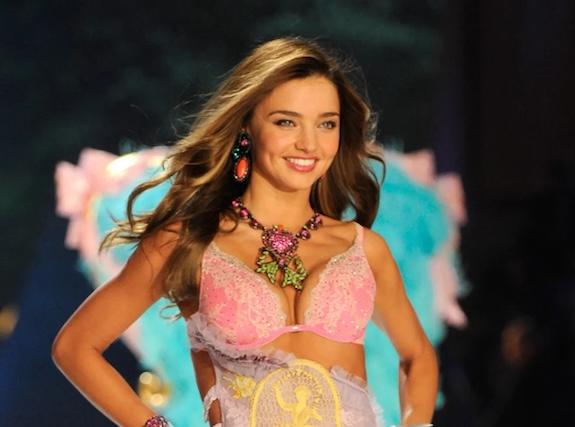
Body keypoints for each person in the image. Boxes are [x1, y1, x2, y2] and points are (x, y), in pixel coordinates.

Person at [52, 37, 438, 427]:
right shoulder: (188, 241)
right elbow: (75, 346)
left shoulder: (363, 249)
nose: (309, 143)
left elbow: (418, 356)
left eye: (327, 124)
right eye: (286, 121)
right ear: (246, 127)